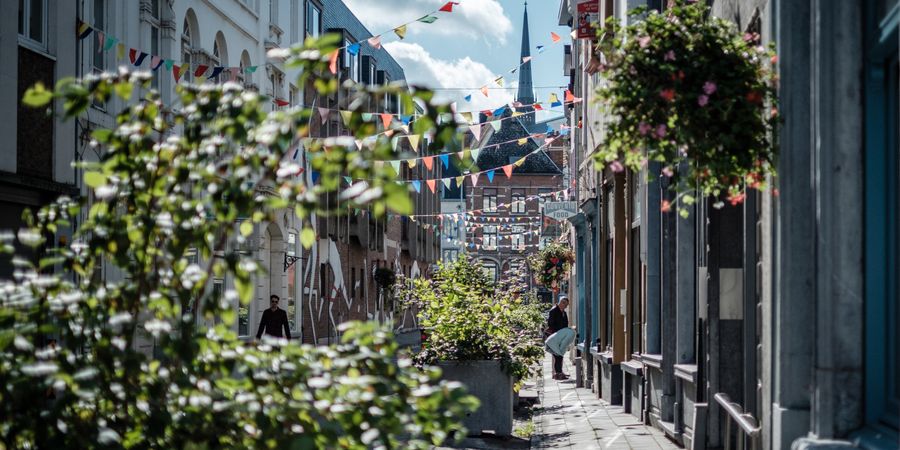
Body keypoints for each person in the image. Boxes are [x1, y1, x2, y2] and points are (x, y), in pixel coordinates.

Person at [547, 296, 570, 380]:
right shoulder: (554, 311)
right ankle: (558, 373)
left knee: (560, 355)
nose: (566, 307)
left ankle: (559, 372)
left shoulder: (564, 312)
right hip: (555, 336)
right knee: (557, 355)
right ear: (561, 303)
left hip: (561, 336)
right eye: (565, 304)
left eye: (567, 305)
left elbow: (565, 323)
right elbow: (550, 323)